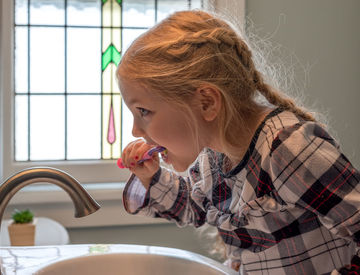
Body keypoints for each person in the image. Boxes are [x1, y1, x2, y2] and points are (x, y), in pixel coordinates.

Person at [116, 10, 360, 275]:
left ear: (206, 102)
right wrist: (151, 176)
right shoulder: (212, 158)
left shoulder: (287, 149)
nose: (135, 130)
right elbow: (193, 208)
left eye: (143, 112)